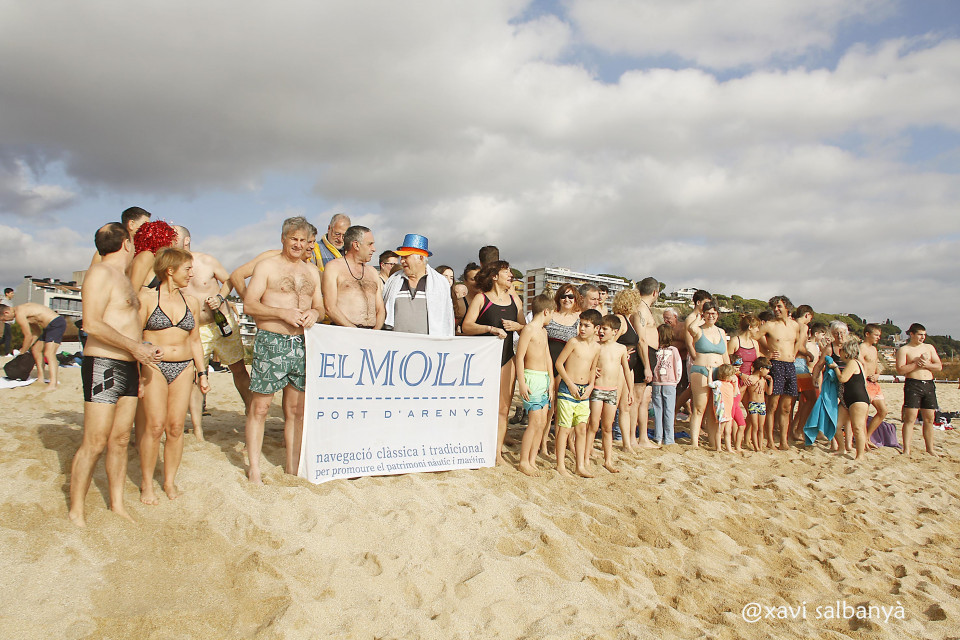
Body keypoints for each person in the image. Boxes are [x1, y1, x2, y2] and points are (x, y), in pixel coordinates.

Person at [69, 223, 163, 527]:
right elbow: (91, 324)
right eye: (132, 241)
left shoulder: (123, 277)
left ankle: (117, 504)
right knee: (95, 441)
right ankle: (76, 509)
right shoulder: (100, 273)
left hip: (128, 365)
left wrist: (139, 357)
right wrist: (135, 347)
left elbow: (126, 325)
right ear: (126, 243)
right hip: (103, 364)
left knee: (121, 439)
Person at [243, 217, 324, 482]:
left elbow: (321, 307)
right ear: (283, 238)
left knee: (296, 411)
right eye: (293, 239)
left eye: (303, 240)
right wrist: (282, 313)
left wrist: (315, 313)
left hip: (302, 344)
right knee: (260, 407)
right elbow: (250, 305)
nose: (298, 245)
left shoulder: (312, 272)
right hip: (271, 341)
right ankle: (254, 467)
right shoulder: (267, 266)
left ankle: (292, 468)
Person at [137, 247, 208, 504]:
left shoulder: (192, 302)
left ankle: (169, 481)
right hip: (154, 366)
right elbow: (135, 336)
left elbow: (195, 340)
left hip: (184, 367)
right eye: (187, 269)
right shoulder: (147, 298)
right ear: (170, 270)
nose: (191, 274)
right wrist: (137, 372)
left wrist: (202, 373)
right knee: (155, 426)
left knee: (176, 428)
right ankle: (147, 483)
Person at [182, 245, 252, 440]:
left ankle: (251, 413)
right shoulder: (172, 267)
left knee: (238, 369)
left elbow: (230, 280)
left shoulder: (207, 261)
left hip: (221, 323)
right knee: (197, 376)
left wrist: (220, 298)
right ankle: (197, 428)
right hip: (196, 328)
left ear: (186, 241)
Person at [462, 260, 525, 465]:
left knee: (503, 409)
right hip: (483, 359)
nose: (510, 275)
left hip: (507, 358)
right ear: (494, 276)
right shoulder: (481, 298)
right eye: (506, 271)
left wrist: (517, 326)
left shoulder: (515, 300)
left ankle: (496, 453)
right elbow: (466, 326)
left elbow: (526, 327)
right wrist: (490, 329)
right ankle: (474, 446)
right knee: (478, 406)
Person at [554, 309, 601, 477]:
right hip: (568, 389)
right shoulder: (573, 342)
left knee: (581, 429)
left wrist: (591, 385)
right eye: (580, 324)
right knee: (564, 428)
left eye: (586, 326)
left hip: (583, 391)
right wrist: (569, 383)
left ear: (596, 328)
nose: (582, 328)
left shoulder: (597, 347)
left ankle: (579, 465)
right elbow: (559, 363)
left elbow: (593, 368)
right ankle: (560, 465)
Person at [757, 296, 806, 450]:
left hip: (790, 365)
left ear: (787, 307)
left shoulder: (795, 325)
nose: (776, 309)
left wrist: (795, 354)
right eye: (774, 307)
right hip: (776, 365)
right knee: (772, 405)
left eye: (779, 306)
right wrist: (766, 354)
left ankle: (784, 441)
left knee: (786, 407)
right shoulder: (769, 325)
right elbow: (753, 338)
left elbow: (797, 342)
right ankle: (770, 441)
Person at [586, 315, 633, 474]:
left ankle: (608, 460)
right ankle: (586, 458)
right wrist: (593, 370)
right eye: (599, 328)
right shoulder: (596, 346)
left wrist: (630, 391)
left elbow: (626, 370)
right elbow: (587, 364)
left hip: (612, 390)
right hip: (598, 389)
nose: (600, 332)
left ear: (615, 331)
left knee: (607, 427)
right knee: (593, 425)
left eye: (604, 329)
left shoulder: (621, 349)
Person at [514, 293, 555, 476]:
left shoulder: (544, 331)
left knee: (542, 422)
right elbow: (519, 357)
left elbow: (548, 357)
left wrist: (551, 380)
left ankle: (532, 459)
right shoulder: (529, 329)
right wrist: (522, 382)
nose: (552, 317)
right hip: (531, 377)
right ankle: (524, 461)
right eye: (552, 313)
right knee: (534, 422)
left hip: (543, 378)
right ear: (546, 311)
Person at [382, 234, 454, 336]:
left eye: (406, 257)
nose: (402, 261)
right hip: (397, 343)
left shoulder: (440, 283)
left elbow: (447, 318)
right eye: (401, 257)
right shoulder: (393, 280)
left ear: (420, 258)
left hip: (428, 344)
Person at [539, 284, 581, 454]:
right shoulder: (551, 314)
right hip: (546, 362)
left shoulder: (579, 319)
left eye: (570, 296)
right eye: (564, 296)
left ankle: (561, 444)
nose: (567, 299)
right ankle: (542, 443)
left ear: (575, 299)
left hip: (565, 366)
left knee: (560, 408)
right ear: (558, 298)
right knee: (548, 408)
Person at [229, 224, 318, 299]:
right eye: (309, 242)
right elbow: (237, 275)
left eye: (314, 242)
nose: (312, 246)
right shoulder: (272, 256)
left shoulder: (311, 268)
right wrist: (250, 302)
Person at [686, 300, 730, 448]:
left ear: (718, 314)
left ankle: (712, 440)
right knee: (699, 408)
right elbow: (690, 327)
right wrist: (699, 317)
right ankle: (694, 442)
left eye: (713, 313)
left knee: (714, 409)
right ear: (703, 314)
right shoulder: (699, 330)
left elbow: (725, 355)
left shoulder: (721, 332)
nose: (711, 316)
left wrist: (731, 373)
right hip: (701, 370)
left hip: (719, 371)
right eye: (708, 313)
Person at [320, 225, 384, 329]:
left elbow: (380, 309)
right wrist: (354, 332)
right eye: (370, 244)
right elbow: (330, 307)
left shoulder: (372, 272)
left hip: (371, 333)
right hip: (344, 331)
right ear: (356, 245)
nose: (374, 249)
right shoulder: (334, 267)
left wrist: (375, 331)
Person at [896, 323, 942, 457]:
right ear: (912, 334)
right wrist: (916, 363)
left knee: (929, 418)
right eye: (920, 335)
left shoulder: (929, 347)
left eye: (924, 335)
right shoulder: (905, 350)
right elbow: (900, 369)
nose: (922, 337)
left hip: (928, 383)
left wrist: (926, 364)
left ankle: (930, 448)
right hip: (913, 384)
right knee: (910, 418)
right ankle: (906, 449)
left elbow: (938, 366)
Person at [0, 301, 67, 390]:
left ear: (6, 313)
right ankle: (41, 378)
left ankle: (53, 384)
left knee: (49, 353)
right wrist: (27, 347)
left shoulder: (19, 313)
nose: (5, 321)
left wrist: (22, 352)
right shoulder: (25, 313)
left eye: (4, 319)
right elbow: (37, 332)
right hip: (48, 327)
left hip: (56, 323)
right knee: (36, 349)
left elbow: (28, 336)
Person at [629, 277, 661, 449]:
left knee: (645, 399)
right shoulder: (640, 308)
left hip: (650, 354)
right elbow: (641, 339)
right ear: (655, 292)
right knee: (636, 398)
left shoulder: (644, 308)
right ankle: (631, 438)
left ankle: (642, 437)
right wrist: (647, 366)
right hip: (644, 355)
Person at [610, 289, 641, 453]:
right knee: (613, 407)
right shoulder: (621, 320)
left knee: (626, 407)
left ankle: (627, 444)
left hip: (628, 368)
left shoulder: (628, 320)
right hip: (619, 368)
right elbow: (609, 343)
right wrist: (621, 353)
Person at [831, 338, 870, 461]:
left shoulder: (853, 363)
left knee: (857, 428)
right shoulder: (854, 363)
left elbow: (843, 378)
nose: (840, 353)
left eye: (841, 350)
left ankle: (860, 455)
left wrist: (835, 367)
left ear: (847, 352)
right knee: (835, 425)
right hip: (847, 400)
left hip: (858, 400)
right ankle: (841, 448)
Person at [651, 323, 682, 446]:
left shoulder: (655, 350)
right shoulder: (673, 350)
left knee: (658, 410)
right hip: (669, 382)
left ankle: (658, 436)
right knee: (669, 410)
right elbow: (678, 366)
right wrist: (676, 381)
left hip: (656, 381)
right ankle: (669, 438)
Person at [129, 221, 183, 290]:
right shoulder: (146, 256)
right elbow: (133, 290)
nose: (174, 243)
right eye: (171, 238)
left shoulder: (157, 261)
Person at [860, 323, 888, 447]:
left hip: (874, 383)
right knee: (864, 415)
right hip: (864, 383)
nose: (878, 338)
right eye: (876, 335)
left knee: (883, 411)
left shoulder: (874, 349)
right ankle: (863, 440)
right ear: (867, 334)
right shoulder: (862, 348)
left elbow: (876, 366)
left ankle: (867, 437)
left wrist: (877, 375)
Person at [742, 357, 772, 452]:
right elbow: (743, 389)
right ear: (761, 368)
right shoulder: (751, 378)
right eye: (767, 368)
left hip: (762, 404)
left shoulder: (763, 380)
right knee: (755, 427)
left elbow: (769, 392)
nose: (768, 371)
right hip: (753, 404)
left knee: (761, 427)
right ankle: (756, 447)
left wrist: (771, 382)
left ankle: (760, 446)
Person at [708, 364, 740, 452]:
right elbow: (710, 384)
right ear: (726, 375)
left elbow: (735, 394)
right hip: (721, 410)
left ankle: (729, 448)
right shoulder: (719, 383)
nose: (733, 377)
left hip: (728, 410)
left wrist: (736, 383)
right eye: (731, 375)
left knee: (728, 431)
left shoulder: (730, 385)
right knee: (720, 430)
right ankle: (718, 448)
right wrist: (710, 372)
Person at [453, 262, 481, 331]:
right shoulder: (459, 304)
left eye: (479, 278)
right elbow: (452, 331)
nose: (477, 282)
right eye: (473, 279)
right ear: (465, 282)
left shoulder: (491, 300)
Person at [1, 287, 14, 355]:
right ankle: (7, 353)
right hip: (5, 321)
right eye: (11, 293)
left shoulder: (10, 302)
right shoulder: (4, 301)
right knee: (8, 337)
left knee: (4, 338)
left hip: (9, 322)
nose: (13, 295)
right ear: (7, 294)